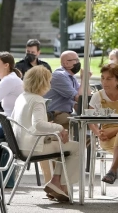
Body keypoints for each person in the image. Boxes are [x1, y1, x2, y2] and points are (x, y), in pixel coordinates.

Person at [11, 66, 80, 202]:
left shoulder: (22, 97)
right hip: (33, 148)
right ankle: (61, 185)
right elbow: (38, 125)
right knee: (76, 147)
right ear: (43, 82)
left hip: (19, 146)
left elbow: (17, 121)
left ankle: (56, 182)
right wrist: (60, 128)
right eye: (49, 81)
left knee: (64, 146)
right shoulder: (37, 100)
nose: (50, 84)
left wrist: (52, 134)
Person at [88, 63, 118, 203]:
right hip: (108, 137)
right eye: (102, 78)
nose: (104, 82)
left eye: (109, 79)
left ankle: (113, 170)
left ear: (117, 80)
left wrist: (112, 131)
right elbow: (89, 119)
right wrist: (98, 132)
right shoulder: (97, 96)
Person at [44, 50, 87, 130]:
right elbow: (79, 98)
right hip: (54, 116)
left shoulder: (71, 77)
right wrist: (84, 79)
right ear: (66, 63)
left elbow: (85, 97)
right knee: (81, 128)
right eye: (76, 60)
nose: (78, 63)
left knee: (86, 125)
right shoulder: (59, 76)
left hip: (64, 114)